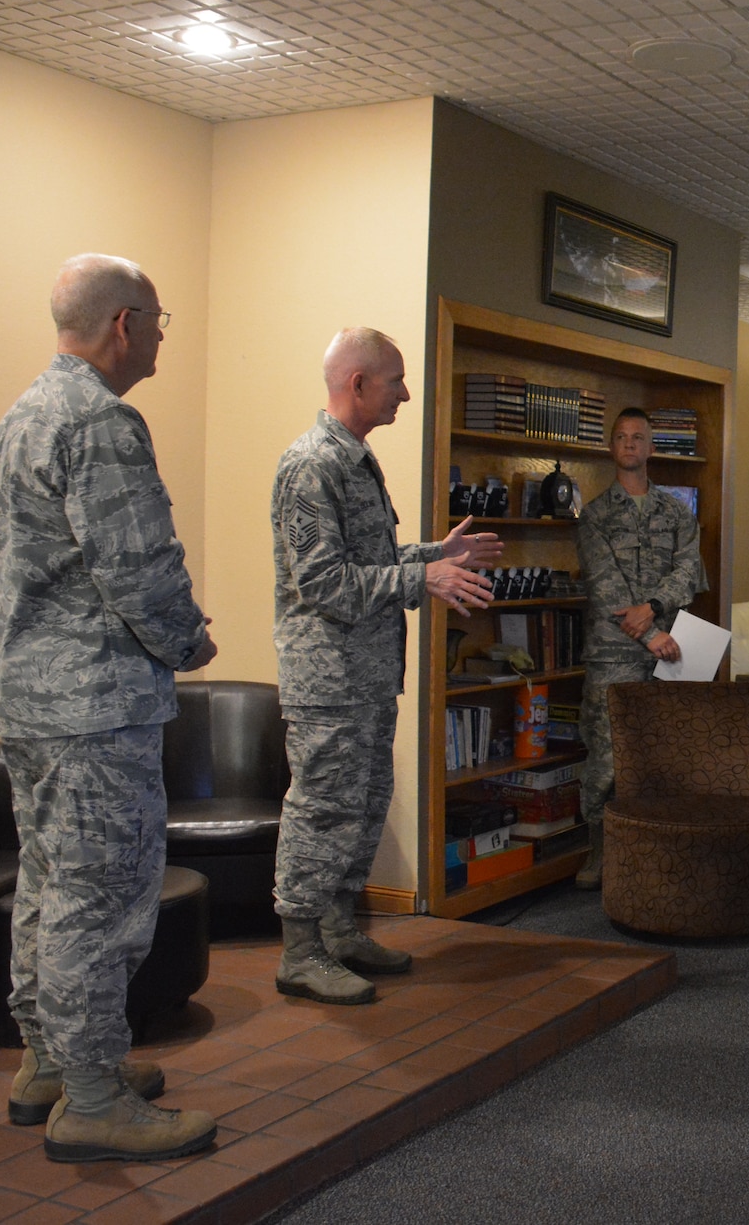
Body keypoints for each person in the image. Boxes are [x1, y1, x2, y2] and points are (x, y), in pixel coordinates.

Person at [0, 254, 219, 1160]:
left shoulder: (24, 415)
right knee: (100, 897)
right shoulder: (102, 421)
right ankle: (90, 1098)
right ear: (124, 323)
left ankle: (50, 1061)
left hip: (30, 700)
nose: (160, 335)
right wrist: (190, 640)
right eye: (158, 319)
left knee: (47, 885)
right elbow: (138, 567)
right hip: (92, 706)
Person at [271, 327, 499, 1005]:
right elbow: (325, 584)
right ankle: (300, 951)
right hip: (328, 680)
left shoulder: (355, 459)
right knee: (321, 811)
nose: (406, 391)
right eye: (396, 378)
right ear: (358, 384)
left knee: (363, 806)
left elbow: (369, 559)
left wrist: (432, 554)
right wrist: (421, 581)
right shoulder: (310, 464)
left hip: (366, 676)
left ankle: (340, 930)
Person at [574, 407, 707, 889]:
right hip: (615, 656)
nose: (630, 445)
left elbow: (689, 570)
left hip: (672, 654)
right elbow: (604, 584)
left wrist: (654, 607)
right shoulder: (594, 516)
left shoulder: (675, 512)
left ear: (652, 448)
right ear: (612, 448)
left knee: (666, 757)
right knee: (607, 758)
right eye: (621, 438)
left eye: (639, 438)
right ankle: (599, 851)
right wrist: (648, 632)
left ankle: (656, 851)